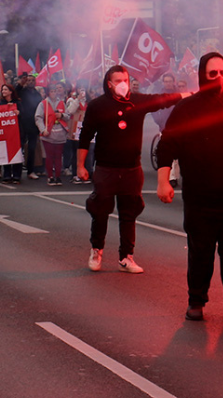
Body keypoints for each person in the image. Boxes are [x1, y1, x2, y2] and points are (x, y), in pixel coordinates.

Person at [156, 52, 223, 325]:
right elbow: (167, 145)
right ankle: (196, 301)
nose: (218, 78)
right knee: (200, 251)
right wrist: (163, 181)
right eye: (212, 73)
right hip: (200, 197)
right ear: (202, 76)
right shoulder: (186, 108)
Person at [76, 65, 181, 274]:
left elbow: (162, 99)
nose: (123, 84)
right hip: (106, 168)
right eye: (118, 80)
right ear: (109, 83)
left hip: (132, 169)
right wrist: (80, 165)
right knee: (100, 211)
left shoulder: (138, 101)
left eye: (125, 79)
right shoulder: (97, 106)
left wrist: (190, 94)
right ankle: (96, 250)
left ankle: (126, 257)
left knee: (129, 213)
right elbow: (85, 136)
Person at [36, 81, 72, 186]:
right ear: (48, 92)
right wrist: (43, 130)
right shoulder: (43, 104)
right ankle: (50, 176)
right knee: (49, 156)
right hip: (48, 134)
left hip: (60, 133)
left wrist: (61, 115)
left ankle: (58, 176)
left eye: (55, 91)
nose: (54, 93)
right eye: (51, 91)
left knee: (58, 156)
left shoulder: (61, 103)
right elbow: (38, 118)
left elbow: (68, 115)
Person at [16, 72, 44, 180]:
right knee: (20, 147)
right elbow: (15, 92)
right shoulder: (22, 92)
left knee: (32, 148)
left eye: (32, 80)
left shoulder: (37, 94)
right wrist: (20, 84)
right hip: (23, 123)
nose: (30, 82)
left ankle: (30, 170)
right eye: (28, 80)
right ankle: (17, 173)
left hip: (33, 124)